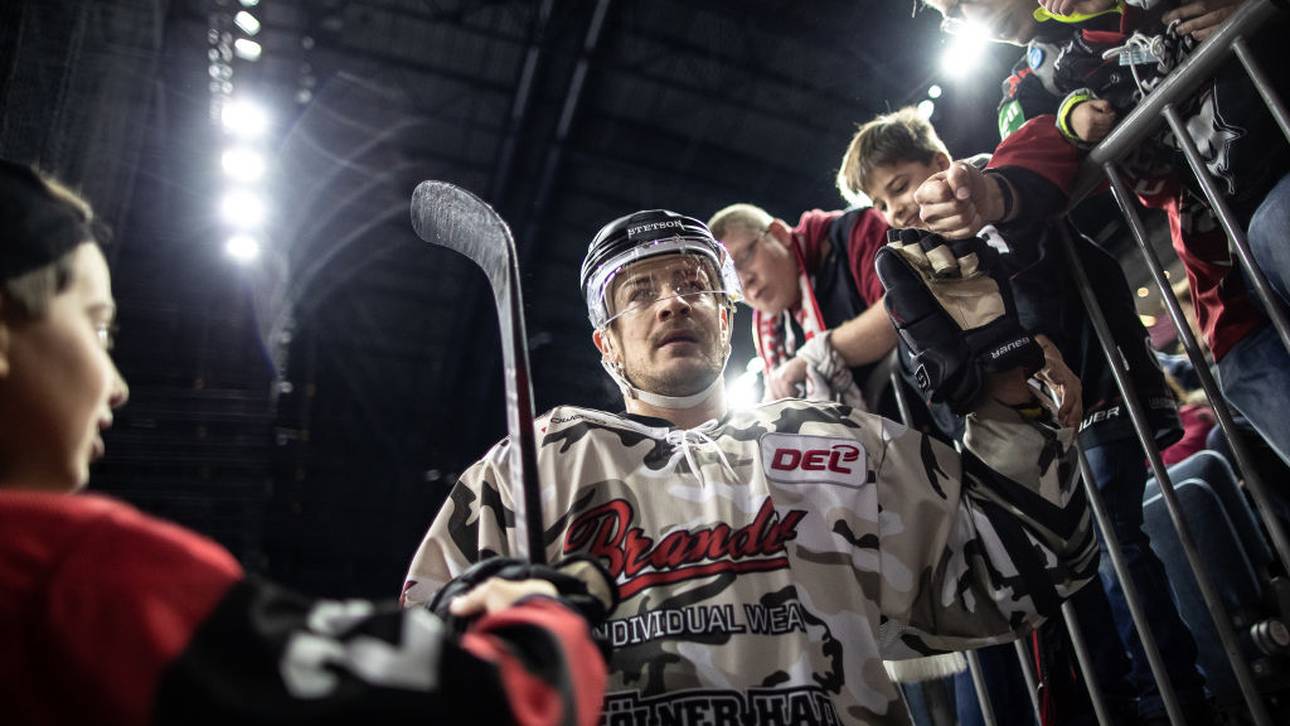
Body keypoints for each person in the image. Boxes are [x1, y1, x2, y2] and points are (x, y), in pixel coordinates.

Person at [403, 208, 1099, 723]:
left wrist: (1008, 401)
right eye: (638, 293)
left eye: (691, 282)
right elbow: (417, 662)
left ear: (727, 320)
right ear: (607, 347)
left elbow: (1027, 567)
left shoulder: (837, 441)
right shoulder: (529, 469)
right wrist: (474, 637)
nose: (672, 300)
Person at [0, 159, 611, 726]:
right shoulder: (68, 573)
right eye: (97, 325)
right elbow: (496, 706)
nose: (116, 385)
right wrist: (541, 618)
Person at [840, 105, 1201, 724]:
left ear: (939, 163)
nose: (893, 210)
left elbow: (1049, 265)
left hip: (1096, 401)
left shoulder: (997, 187)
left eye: (898, 187)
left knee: (1117, 549)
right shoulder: (924, 265)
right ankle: (1124, 704)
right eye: (878, 204)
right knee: (1080, 575)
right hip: (1036, 440)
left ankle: (1177, 698)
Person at [915, 0, 1290, 475]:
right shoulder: (1035, 85)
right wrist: (985, 193)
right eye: (944, 15)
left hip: (1276, 186)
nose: (954, 21)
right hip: (1220, 269)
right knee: (1242, 366)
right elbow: (1029, 150)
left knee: (1277, 227)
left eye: (956, 3)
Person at [705, 203, 898, 410]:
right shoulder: (772, 332)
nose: (744, 281)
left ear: (779, 235)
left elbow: (903, 309)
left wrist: (813, 358)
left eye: (743, 259)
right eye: (728, 280)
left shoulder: (856, 231)